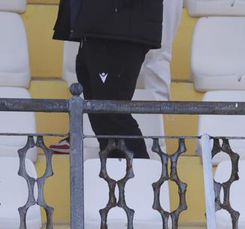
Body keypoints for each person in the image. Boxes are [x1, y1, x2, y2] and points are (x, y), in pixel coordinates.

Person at [53, 0, 164, 159]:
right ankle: (116, 169)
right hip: (93, 27)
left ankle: (140, 171)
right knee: (99, 112)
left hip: (118, 29)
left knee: (111, 110)